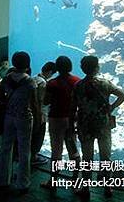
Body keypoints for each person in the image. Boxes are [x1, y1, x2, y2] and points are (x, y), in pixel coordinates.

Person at [72, 56, 124, 198]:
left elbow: (73, 107)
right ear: (97, 67)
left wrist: (72, 124)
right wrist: (111, 107)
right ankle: (108, 187)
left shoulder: (78, 85)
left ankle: (85, 189)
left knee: (87, 158)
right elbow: (123, 95)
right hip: (103, 124)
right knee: (105, 156)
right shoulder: (105, 83)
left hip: (85, 125)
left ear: (82, 68)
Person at [0, 51, 39, 194]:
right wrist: (38, 119)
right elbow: (34, 103)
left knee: (5, 147)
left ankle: (2, 180)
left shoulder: (7, 78)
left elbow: (0, 95)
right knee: (24, 150)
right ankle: (23, 183)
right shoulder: (30, 81)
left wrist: (7, 104)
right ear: (27, 64)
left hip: (9, 116)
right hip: (24, 117)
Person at [41, 56, 81, 190]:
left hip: (56, 119)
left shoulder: (52, 83)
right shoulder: (77, 81)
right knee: (73, 150)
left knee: (56, 151)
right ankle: (76, 181)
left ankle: (53, 181)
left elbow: (46, 101)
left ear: (57, 68)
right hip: (71, 120)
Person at [31, 61, 57, 166]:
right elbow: (42, 101)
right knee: (38, 136)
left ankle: (30, 155)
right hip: (40, 114)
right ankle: (33, 156)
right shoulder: (43, 83)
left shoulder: (34, 78)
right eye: (52, 73)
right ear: (50, 72)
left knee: (32, 134)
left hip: (31, 112)